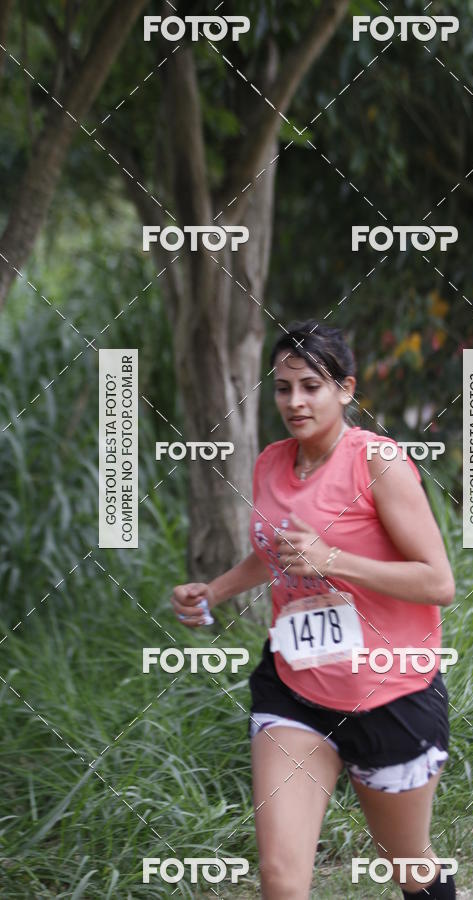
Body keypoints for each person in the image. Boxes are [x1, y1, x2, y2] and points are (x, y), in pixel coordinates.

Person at [170, 319, 456, 899]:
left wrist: (334, 559)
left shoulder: (378, 462)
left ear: (345, 389)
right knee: (280, 874)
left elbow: (437, 582)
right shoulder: (271, 463)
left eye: (311, 386)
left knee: (409, 865)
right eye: (283, 388)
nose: (294, 401)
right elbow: (274, 554)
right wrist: (215, 591)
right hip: (295, 689)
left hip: (390, 695)